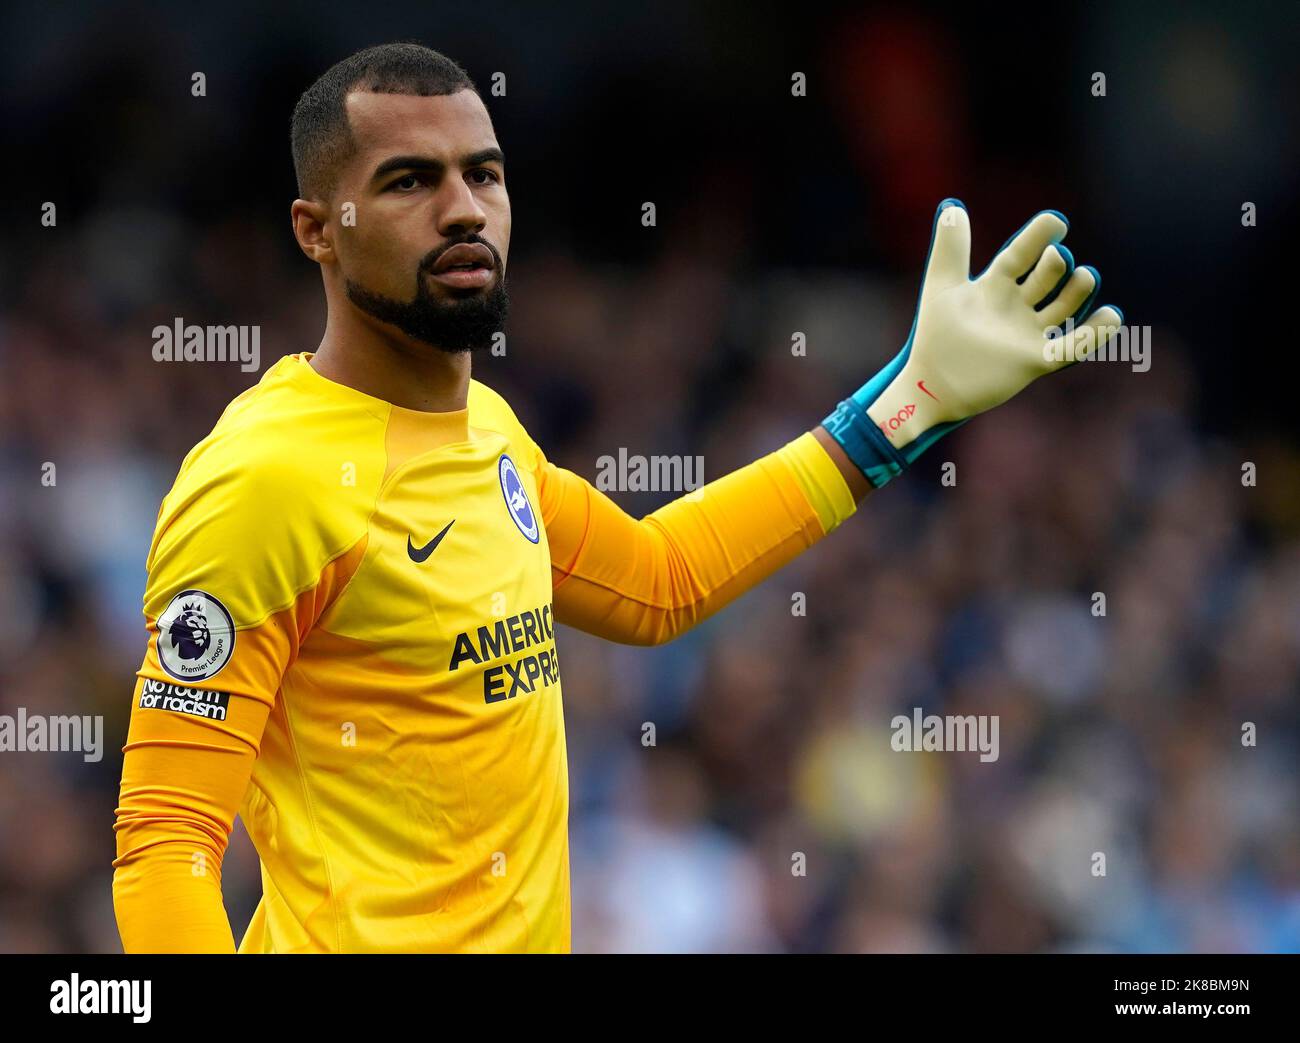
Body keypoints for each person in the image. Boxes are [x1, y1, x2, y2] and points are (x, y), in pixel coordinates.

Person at [112, 42, 1123, 953]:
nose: (463, 207)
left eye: (485, 174)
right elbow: (166, 844)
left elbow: (654, 582)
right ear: (315, 229)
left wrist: (906, 405)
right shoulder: (265, 479)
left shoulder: (487, 430)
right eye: (410, 180)